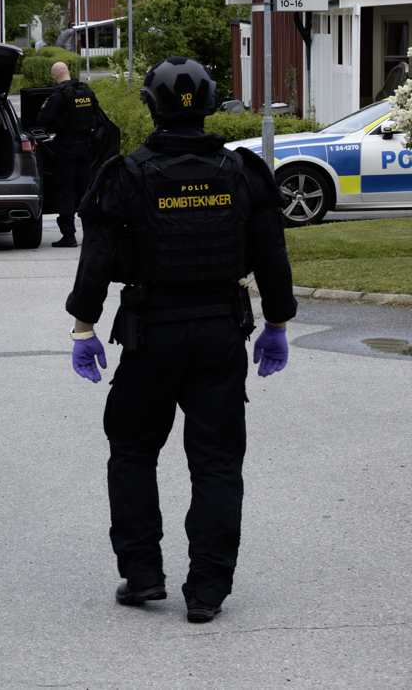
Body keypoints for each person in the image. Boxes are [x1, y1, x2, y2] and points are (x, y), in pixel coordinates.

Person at [63, 57, 296, 624]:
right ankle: (208, 589)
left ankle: (142, 574)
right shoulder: (243, 172)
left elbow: (95, 259)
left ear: (150, 104)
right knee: (217, 462)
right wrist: (278, 324)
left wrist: (84, 326)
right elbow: (271, 254)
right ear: (213, 103)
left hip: (150, 334)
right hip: (221, 333)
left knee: (134, 451)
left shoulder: (125, 175)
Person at [36, 61, 102, 247]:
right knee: (85, 191)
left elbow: (42, 118)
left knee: (64, 191)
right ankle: (92, 233)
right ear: (68, 72)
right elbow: (98, 117)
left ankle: (69, 236)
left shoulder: (58, 95)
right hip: (86, 149)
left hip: (66, 149)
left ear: (55, 76)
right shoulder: (86, 91)